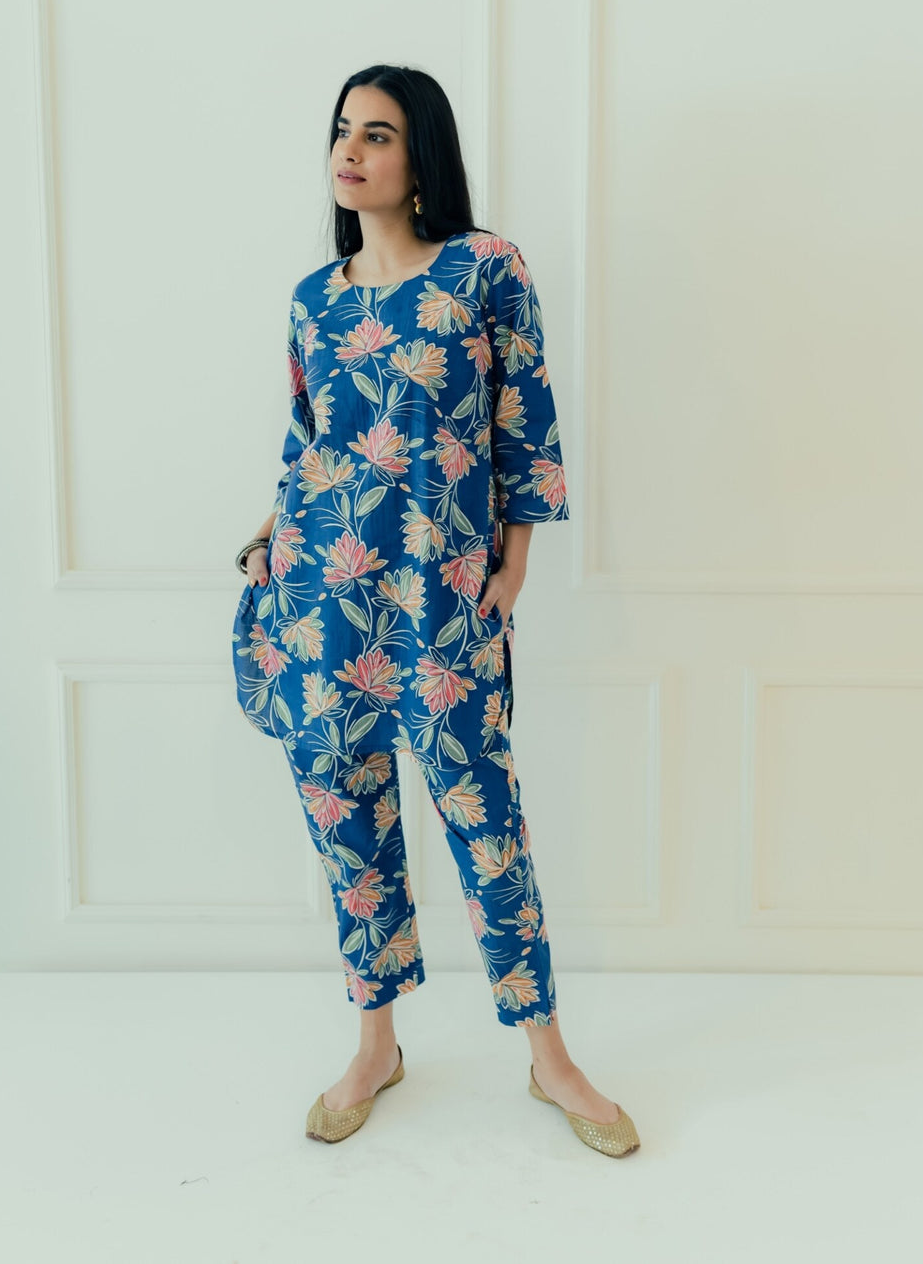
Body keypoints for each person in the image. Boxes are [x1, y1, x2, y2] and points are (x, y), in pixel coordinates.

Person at [231, 65, 639, 1157]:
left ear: (422, 157)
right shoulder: (314, 298)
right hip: (321, 598)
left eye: (378, 133)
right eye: (342, 130)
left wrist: (514, 564)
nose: (350, 150)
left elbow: (525, 418)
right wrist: (268, 545)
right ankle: (376, 1045)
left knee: (484, 819)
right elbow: (306, 442)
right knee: (344, 817)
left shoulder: (484, 268)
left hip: (442, 597)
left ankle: (550, 1058)